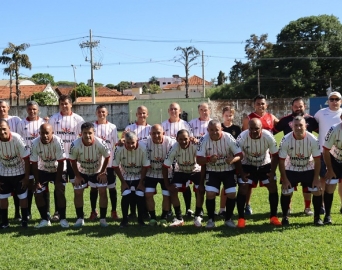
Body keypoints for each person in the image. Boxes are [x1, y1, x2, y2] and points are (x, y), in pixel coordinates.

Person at [274, 97, 319, 215]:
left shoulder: (311, 120)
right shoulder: (285, 120)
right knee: (288, 185)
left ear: (304, 107)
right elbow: (271, 131)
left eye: (300, 106)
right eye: (296, 106)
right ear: (292, 107)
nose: (298, 108)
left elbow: (322, 132)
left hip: (307, 156)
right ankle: (287, 208)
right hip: (290, 157)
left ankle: (307, 207)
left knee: (307, 186)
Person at [196, 120, 243, 228]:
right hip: (212, 171)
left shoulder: (228, 137)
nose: (214, 132)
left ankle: (228, 219)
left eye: (217, 130)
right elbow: (199, 160)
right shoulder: (203, 140)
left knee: (231, 194)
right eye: (211, 130)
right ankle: (211, 220)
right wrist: (208, 159)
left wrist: (233, 159)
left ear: (221, 129)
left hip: (228, 170)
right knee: (210, 194)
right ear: (208, 130)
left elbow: (240, 154)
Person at [236, 118, 281, 228]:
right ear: (248, 128)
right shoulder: (242, 137)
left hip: (264, 164)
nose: (254, 131)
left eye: (257, 128)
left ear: (261, 128)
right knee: (243, 187)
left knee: (273, 187)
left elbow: (275, 155)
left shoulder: (268, 136)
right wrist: (241, 173)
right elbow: (236, 155)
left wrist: (272, 172)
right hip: (247, 164)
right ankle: (241, 218)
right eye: (251, 128)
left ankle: (273, 216)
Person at [278, 116, 322, 226]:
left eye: (301, 125)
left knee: (317, 190)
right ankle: (285, 217)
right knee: (286, 191)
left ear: (306, 126)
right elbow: (281, 161)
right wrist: (284, 179)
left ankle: (317, 218)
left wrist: (316, 178)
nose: (298, 128)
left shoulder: (313, 139)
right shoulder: (286, 140)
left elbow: (317, 160)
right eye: (296, 125)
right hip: (291, 167)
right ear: (292, 126)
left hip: (308, 167)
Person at [48, 95, 84, 221]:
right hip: (59, 159)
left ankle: (79, 214)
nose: (64, 106)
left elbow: (82, 138)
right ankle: (58, 212)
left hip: (74, 159)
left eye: (66, 103)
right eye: (62, 103)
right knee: (59, 186)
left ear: (71, 105)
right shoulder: (53, 119)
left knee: (77, 186)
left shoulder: (78, 120)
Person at [242, 94, 279, 215]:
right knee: (248, 184)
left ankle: (276, 211)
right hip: (251, 154)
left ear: (266, 105)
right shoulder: (249, 118)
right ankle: (247, 205)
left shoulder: (271, 117)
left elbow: (282, 126)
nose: (260, 105)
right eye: (258, 103)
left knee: (271, 184)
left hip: (266, 156)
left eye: (262, 103)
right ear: (254, 105)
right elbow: (245, 136)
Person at [69, 122, 111, 228]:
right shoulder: (75, 144)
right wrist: (77, 176)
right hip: (82, 171)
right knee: (78, 192)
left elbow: (107, 157)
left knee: (102, 191)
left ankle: (102, 219)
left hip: (97, 171)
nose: (87, 135)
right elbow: (72, 161)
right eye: (85, 133)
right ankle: (80, 218)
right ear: (81, 133)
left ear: (94, 133)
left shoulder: (101, 143)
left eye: (90, 133)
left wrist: (102, 172)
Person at [163, 129, 205, 227]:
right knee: (173, 190)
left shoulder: (195, 145)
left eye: (185, 139)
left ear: (190, 138)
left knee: (200, 190)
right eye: (180, 139)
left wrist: (202, 182)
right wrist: (167, 185)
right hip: (181, 170)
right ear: (177, 139)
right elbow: (165, 166)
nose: (183, 141)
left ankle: (198, 216)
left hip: (195, 170)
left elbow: (203, 164)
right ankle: (178, 218)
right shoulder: (174, 148)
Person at [30, 124, 69, 228]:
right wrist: (37, 181)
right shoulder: (34, 143)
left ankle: (63, 218)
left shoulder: (58, 141)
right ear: (39, 133)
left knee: (59, 191)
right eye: (42, 133)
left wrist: (58, 182)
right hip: (43, 168)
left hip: (58, 169)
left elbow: (61, 162)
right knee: (38, 192)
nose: (45, 136)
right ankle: (45, 219)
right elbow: (34, 163)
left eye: (47, 133)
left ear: (52, 133)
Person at [162, 102, 194, 217]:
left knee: (186, 185)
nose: (173, 111)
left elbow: (190, 140)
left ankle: (188, 209)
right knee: (172, 185)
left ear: (180, 111)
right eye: (171, 109)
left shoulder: (186, 124)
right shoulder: (163, 124)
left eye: (176, 109)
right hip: (169, 157)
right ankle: (170, 210)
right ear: (168, 111)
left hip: (183, 159)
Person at [113, 131, 150, 227]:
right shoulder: (119, 148)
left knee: (140, 195)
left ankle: (141, 220)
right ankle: (124, 220)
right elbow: (115, 166)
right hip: (125, 175)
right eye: (128, 143)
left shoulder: (143, 148)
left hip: (139, 175)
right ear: (124, 141)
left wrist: (141, 183)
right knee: (126, 195)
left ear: (137, 140)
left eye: (133, 143)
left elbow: (146, 166)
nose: (130, 145)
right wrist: (123, 182)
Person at [89, 105, 119, 221]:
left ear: (107, 113)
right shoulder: (92, 126)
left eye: (103, 112)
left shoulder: (112, 127)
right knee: (94, 188)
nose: (101, 114)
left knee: (111, 188)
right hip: (95, 164)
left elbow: (115, 144)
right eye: (99, 112)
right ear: (96, 113)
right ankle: (93, 211)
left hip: (109, 163)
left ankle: (114, 211)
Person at [17, 101, 46, 220]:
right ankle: (27, 212)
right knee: (28, 186)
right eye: (29, 109)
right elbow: (19, 141)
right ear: (26, 110)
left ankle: (45, 212)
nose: (32, 111)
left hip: (42, 160)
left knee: (42, 186)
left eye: (34, 109)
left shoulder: (44, 122)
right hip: (27, 161)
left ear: (38, 110)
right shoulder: (21, 123)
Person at [314, 91, 342, 214]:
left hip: (339, 154)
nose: (334, 101)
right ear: (328, 101)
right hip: (324, 152)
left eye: (337, 99)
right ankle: (322, 205)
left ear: (341, 101)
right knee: (324, 178)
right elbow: (311, 125)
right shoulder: (320, 113)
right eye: (332, 99)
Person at [142, 124, 175, 227]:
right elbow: (133, 144)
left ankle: (164, 218)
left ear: (163, 133)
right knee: (148, 194)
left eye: (158, 133)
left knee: (166, 195)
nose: (156, 135)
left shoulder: (171, 142)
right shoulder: (144, 142)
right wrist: (122, 141)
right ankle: (152, 218)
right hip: (151, 173)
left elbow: (181, 144)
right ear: (150, 134)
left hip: (167, 173)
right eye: (153, 133)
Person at [0, 119, 30, 228]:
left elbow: (26, 159)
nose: (2, 132)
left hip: (19, 171)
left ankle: (24, 220)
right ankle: (4, 222)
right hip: (3, 172)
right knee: (2, 197)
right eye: (0, 130)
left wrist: (26, 178)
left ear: (9, 128)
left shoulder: (17, 138)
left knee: (23, 197)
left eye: (4, 129)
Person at [124, 105, 151, 218]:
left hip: (146, 162)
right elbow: (123, 141)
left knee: (143, 187)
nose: (142, 115)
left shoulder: (151, 129)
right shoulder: (130, 128)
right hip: (132, 161)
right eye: (139, 113)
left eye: (144, 113)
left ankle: (144, 211)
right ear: (136, 114)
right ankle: (133, 212)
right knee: (132, 189)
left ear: (147, 114)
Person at [0, 100, 22, 221]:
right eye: (0, 107)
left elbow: (20, 136)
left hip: (16, 157)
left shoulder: (16, 120)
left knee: (17, 188)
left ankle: (18, 213)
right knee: (2, 188)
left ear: (8, 107)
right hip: (1, 159)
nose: (2, 109)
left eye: (4, 107)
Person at [219, 106, 242, 216]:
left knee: (232, 186)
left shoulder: (237, 128)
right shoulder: (219, 128)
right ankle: (222, 209)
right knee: (224, 187)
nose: (228, 117)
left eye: (230, 115)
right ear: (222, 115)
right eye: (226, 115)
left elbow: (239, 145)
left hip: (235, 161)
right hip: (220, 161)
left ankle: (230, 209)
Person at [322, 112, 342, 224]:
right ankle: (327, 215)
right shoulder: (334, 129)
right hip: (334, 160)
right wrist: (329, 169)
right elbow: (325, 150)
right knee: (330, 187)